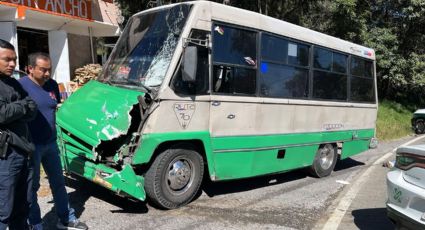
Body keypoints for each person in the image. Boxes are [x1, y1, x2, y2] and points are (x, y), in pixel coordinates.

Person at [19, 52, 88, 230]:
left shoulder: (52, 85)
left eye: (49, 69)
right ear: (30, 69)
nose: (47, 74)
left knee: (58, 182)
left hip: (50, 143)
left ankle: (66, 218)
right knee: (31, 188)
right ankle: (34, 223)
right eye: (43, 70)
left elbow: (53, 108)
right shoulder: (21, 87)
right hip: (31, 146)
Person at [0, 39, 37, 229]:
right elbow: (1, 114)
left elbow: (32, 108)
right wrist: (22, 106)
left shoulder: (13, 83)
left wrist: (17, 109)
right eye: (7, 59)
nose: (13, 64)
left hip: (24, 151)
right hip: (5, 156)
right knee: (3, 210)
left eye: (14, 59)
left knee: (23, 206)